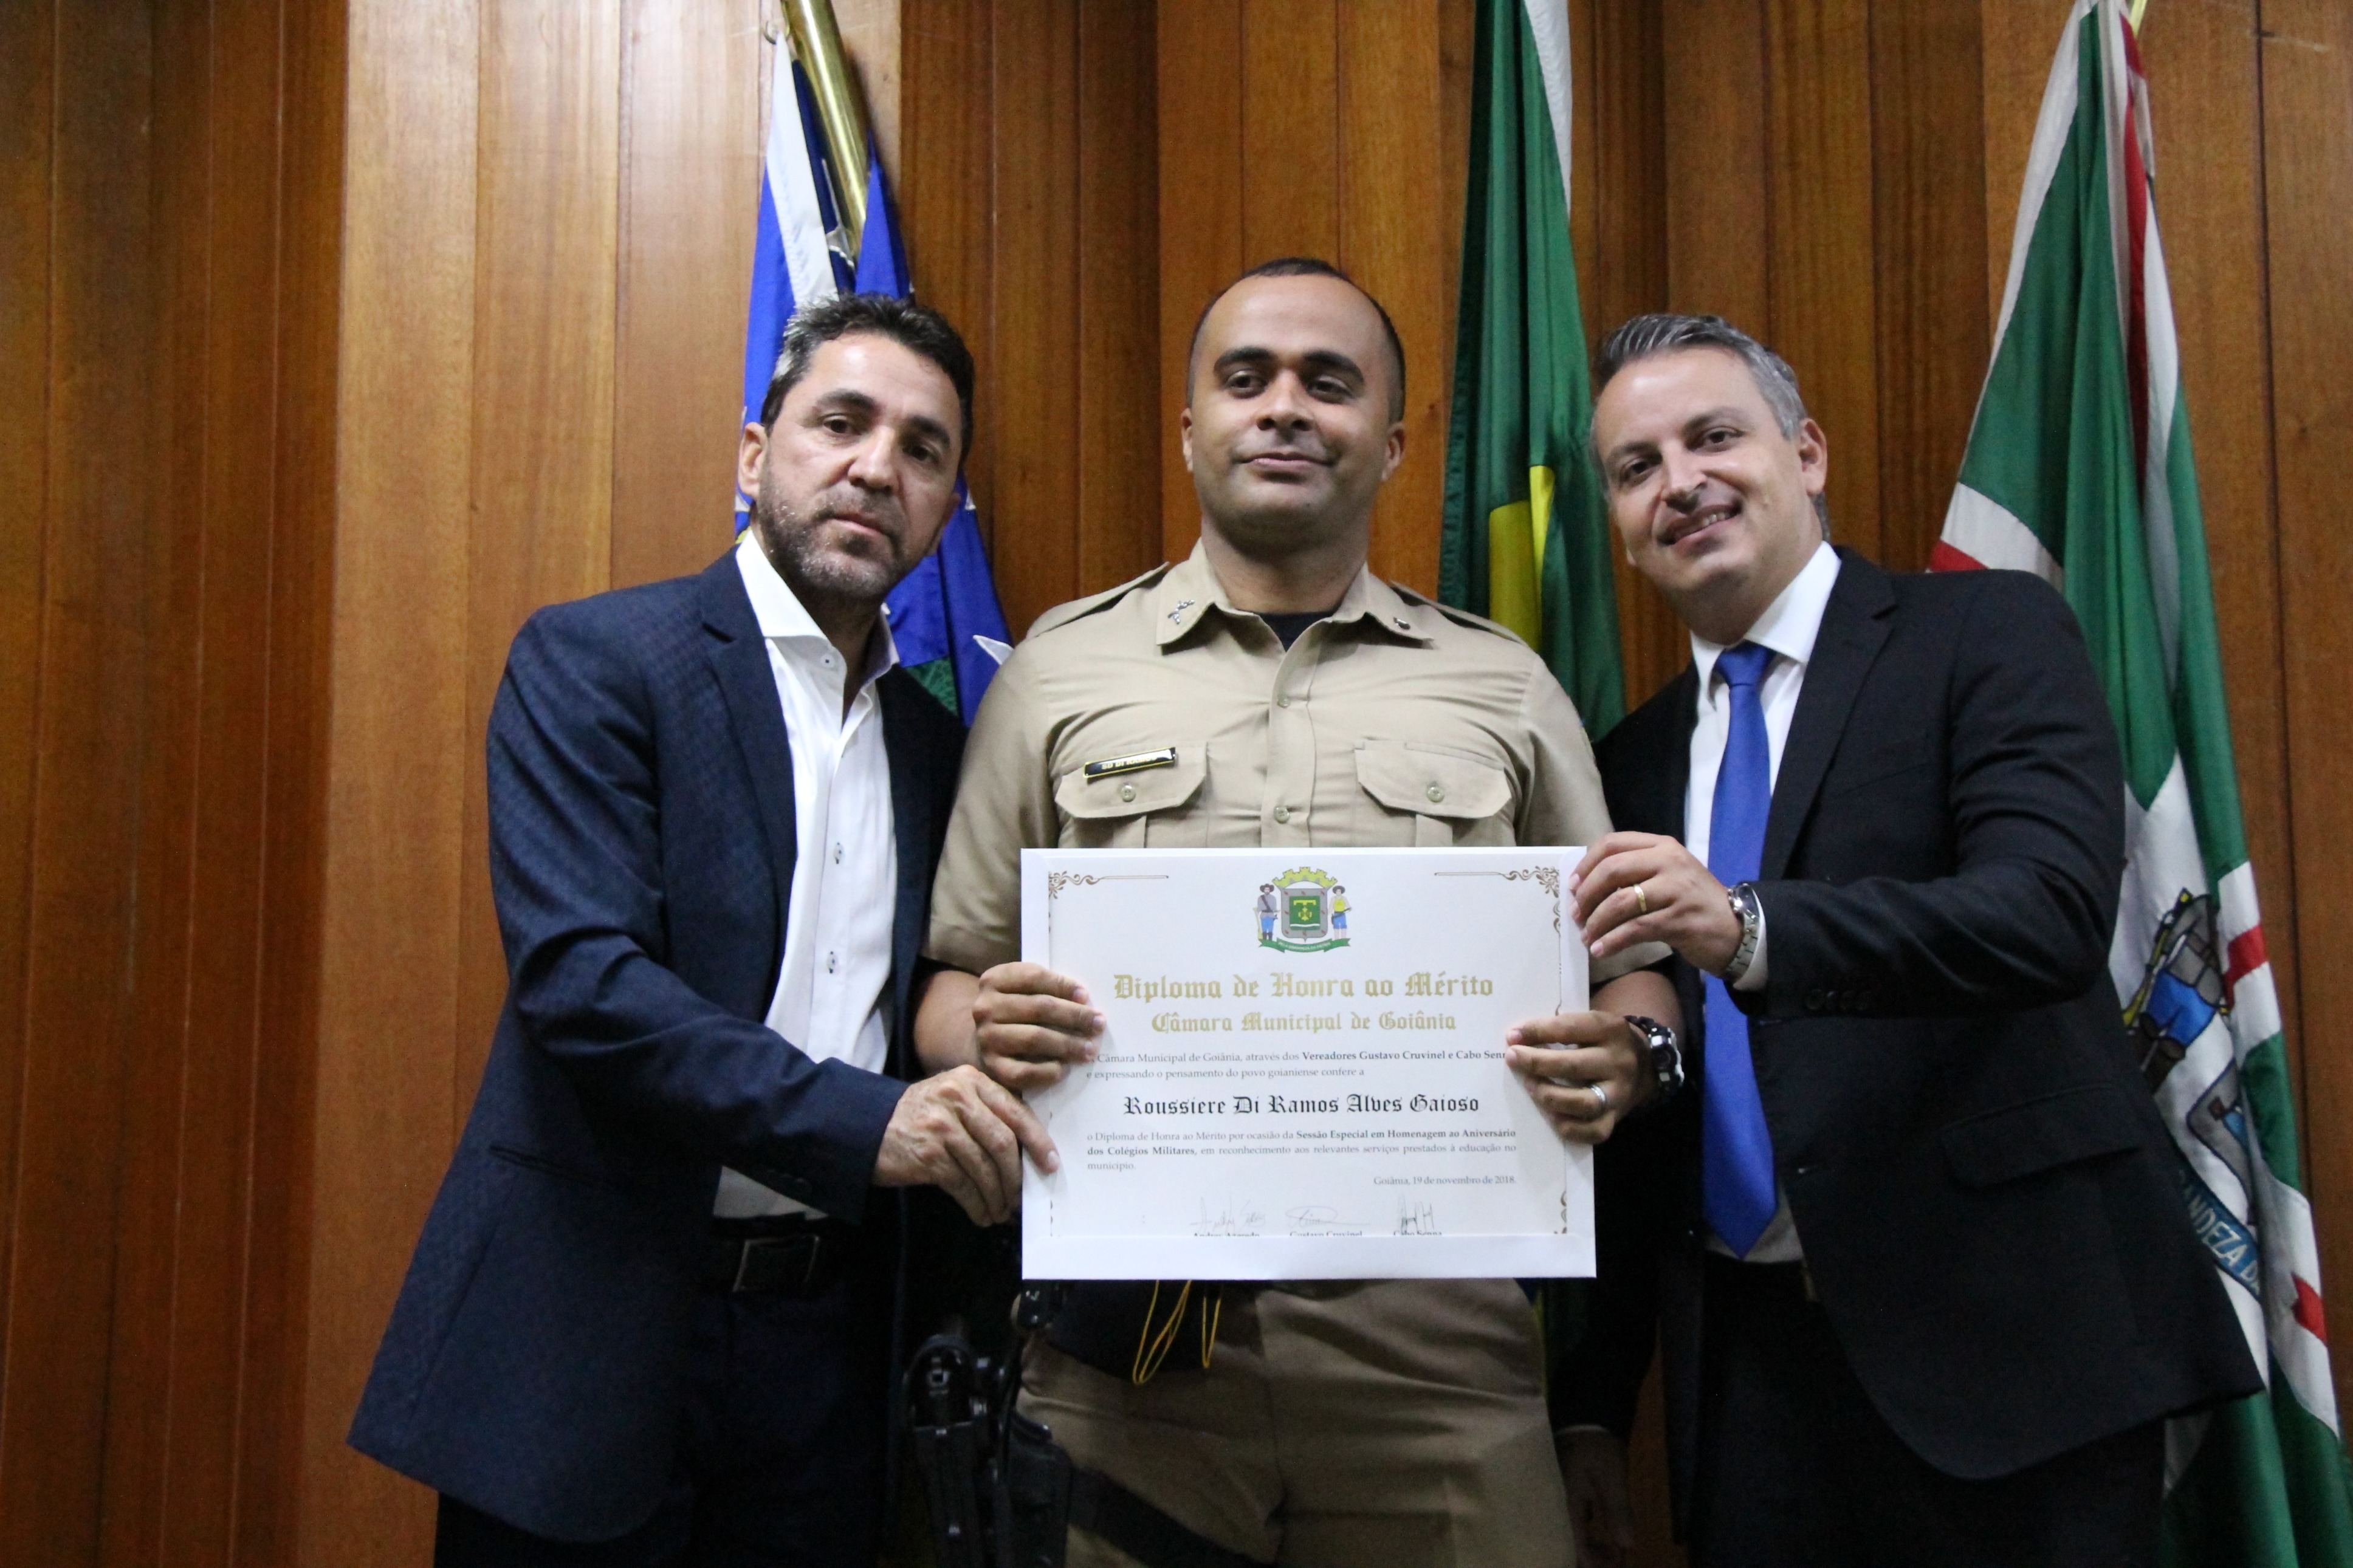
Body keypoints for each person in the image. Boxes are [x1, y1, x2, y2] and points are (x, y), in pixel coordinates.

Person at [913, 257, 1685, 1568]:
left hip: (1438, 1344)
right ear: (1190, 428)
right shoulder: (1056, 672)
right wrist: (983, 1031)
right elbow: (949, 977)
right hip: (1126, 1351)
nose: (1284, 407)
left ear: (1391, 443)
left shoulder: (1504, 684)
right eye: (1246, 378)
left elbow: (1636, 969)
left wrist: (1633, 1054)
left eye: (1329, 383)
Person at [349, 293, 1054, 1567]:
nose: (875, 468)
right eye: (841, 422)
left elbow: (935, 992)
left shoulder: (939, 748)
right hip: (589, 1336)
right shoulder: (598, 660)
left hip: (829, 1364)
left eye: (922, 449)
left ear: (947, 506)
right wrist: (868, 1121)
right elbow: (588, 988)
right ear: (754, 452)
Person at [1552, 313, 2260, 1567]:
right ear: (1617, 521)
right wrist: (1594, 1406)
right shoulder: (1626, 762)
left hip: (2008, 1352)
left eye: (1714, 438)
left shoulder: (1985, 634)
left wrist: (1750, 926)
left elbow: (2044, 912)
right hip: (1750, 1386)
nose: (1681, 483)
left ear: (1806, 453)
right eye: (1637, 467)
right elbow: (1639, 1091)